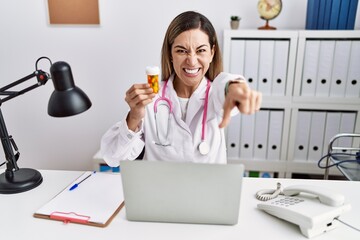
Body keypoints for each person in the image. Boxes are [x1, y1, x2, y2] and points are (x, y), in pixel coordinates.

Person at [101, 11, 262, 166]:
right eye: (181, 51)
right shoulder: (152, 99)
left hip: (207, 191)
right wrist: (134, 117)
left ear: (212, 53)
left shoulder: (217, 94)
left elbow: (223, 84)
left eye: (201, 50)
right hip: (160, 192)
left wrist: (233, 86)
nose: (191, 61)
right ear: (170, 54)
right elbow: (112, 158)